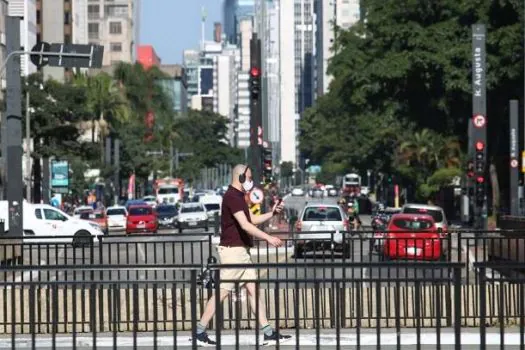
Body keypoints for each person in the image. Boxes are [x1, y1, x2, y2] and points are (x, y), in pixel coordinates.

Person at [193, 164, 292, 346]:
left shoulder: (238, 197)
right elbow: (246, 226)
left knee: (253, 291)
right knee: (222, 293)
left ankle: (268, 333)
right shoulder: (232, 197)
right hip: (234, 253)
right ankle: (199, 332)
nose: (251, 182)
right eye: (249, 178)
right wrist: (268, 238)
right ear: (240, 178)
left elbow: (251, 220)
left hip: (242, 253)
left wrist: (271, 213)